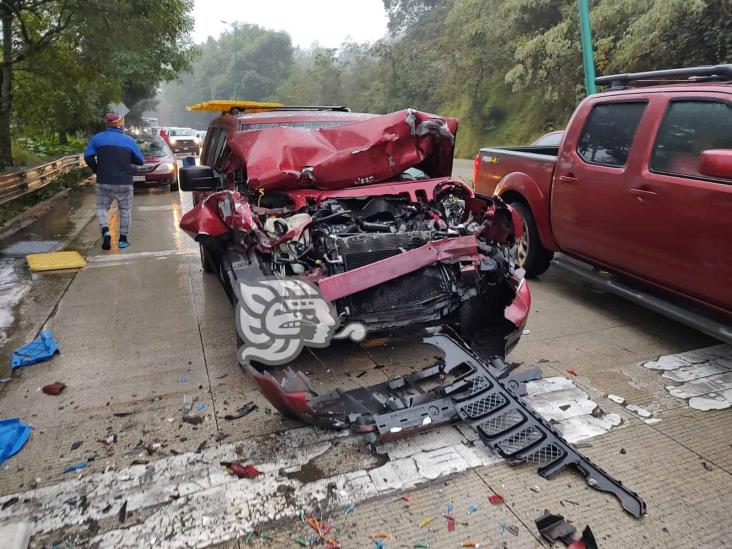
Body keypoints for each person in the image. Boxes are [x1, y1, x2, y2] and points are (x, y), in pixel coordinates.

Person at [84, 113, 144, 250]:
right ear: (120, 125)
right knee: (125, 210)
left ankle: (106, 230)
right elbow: (140, 160)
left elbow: (88, 157)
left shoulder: (97, 138)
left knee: (101, 208)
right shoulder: (128, 141)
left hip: (103, 181)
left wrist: (96, 169)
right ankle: (123, 240)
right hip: (124, 182)